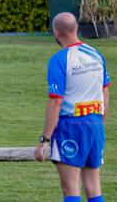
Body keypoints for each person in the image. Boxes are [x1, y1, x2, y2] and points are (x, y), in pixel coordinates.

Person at [34, 12, 111, 202]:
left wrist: (44, 139)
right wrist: (100, 123)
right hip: (95, 124)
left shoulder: (59, 60)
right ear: (76, 28)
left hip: (71, 127)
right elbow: (105, 93)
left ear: (56, 33)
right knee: (94, 188)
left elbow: (56, 101)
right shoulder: (96, 55)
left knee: (71, 190)